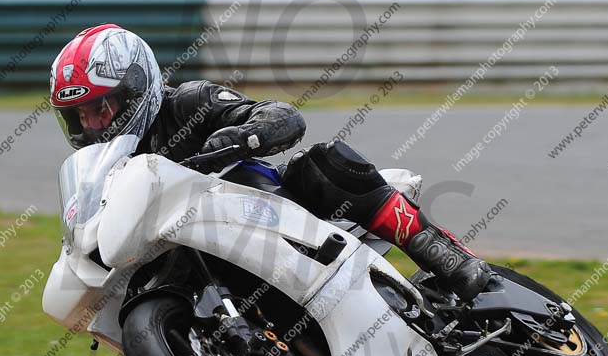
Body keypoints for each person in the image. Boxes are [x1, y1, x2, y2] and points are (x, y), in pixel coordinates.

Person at [49, 24, 491, 301]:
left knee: (321, 164)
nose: (93, 125)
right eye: (79, 117)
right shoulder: (106, 173)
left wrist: (241, 136)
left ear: (135, 90)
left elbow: (280, 115)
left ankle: (439, 252)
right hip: (202, 257)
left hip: (278, 213)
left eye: (101, 109)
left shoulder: (188, 103)